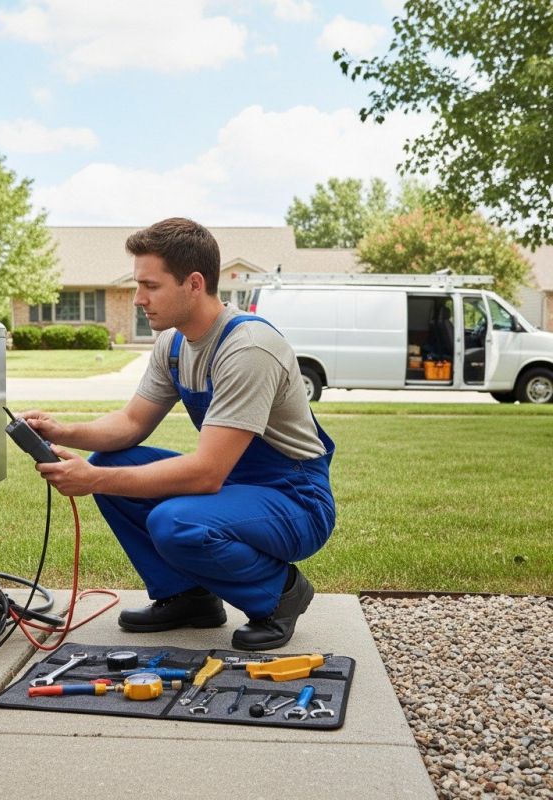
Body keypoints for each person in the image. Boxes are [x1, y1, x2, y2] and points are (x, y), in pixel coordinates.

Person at [22, 218, 336, 650]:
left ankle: (280, 593)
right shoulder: (173, 345)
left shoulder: (247, 348)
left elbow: (206, 473)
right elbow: (132, 424)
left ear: (193, 283)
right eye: (137, 285)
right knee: (113, 463)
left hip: (295, 498)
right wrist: (64, 431)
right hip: (237, 486)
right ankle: (189, 597)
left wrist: (92, 482)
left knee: (175, 523)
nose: (138, 299)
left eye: (150, 286)